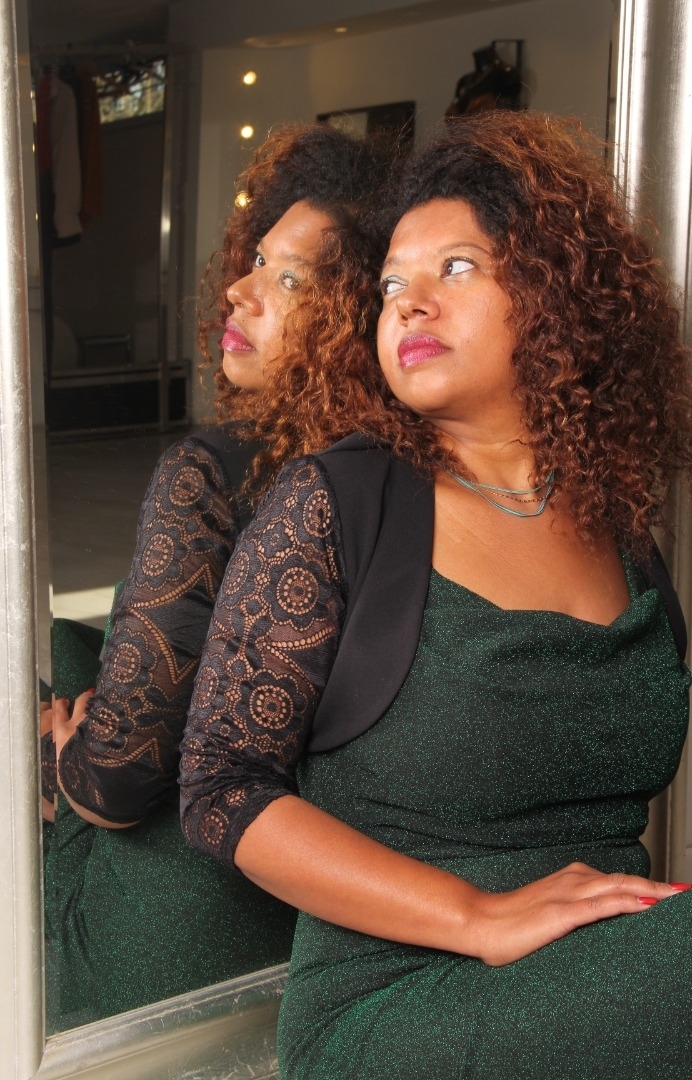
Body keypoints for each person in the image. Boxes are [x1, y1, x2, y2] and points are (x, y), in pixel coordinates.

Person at [179, 111, 692, 1078]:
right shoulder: (339, 501)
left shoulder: (618, 523)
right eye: (392, 285)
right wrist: (478, 915)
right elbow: (221, 789)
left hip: (596, 980)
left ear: (556, 293)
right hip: (397, 1001)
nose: (410, 305)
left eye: (455, 268)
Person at [44, 122, 387, 1030]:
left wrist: (55, 758)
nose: (239, 287)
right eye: (258, 261)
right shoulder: (418, 474)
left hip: (178, 928)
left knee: (43, 689)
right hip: (340, 914)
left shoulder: (211, 474)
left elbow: (117, 789)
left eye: (289, 279)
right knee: (71, 644)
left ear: (357, 321)